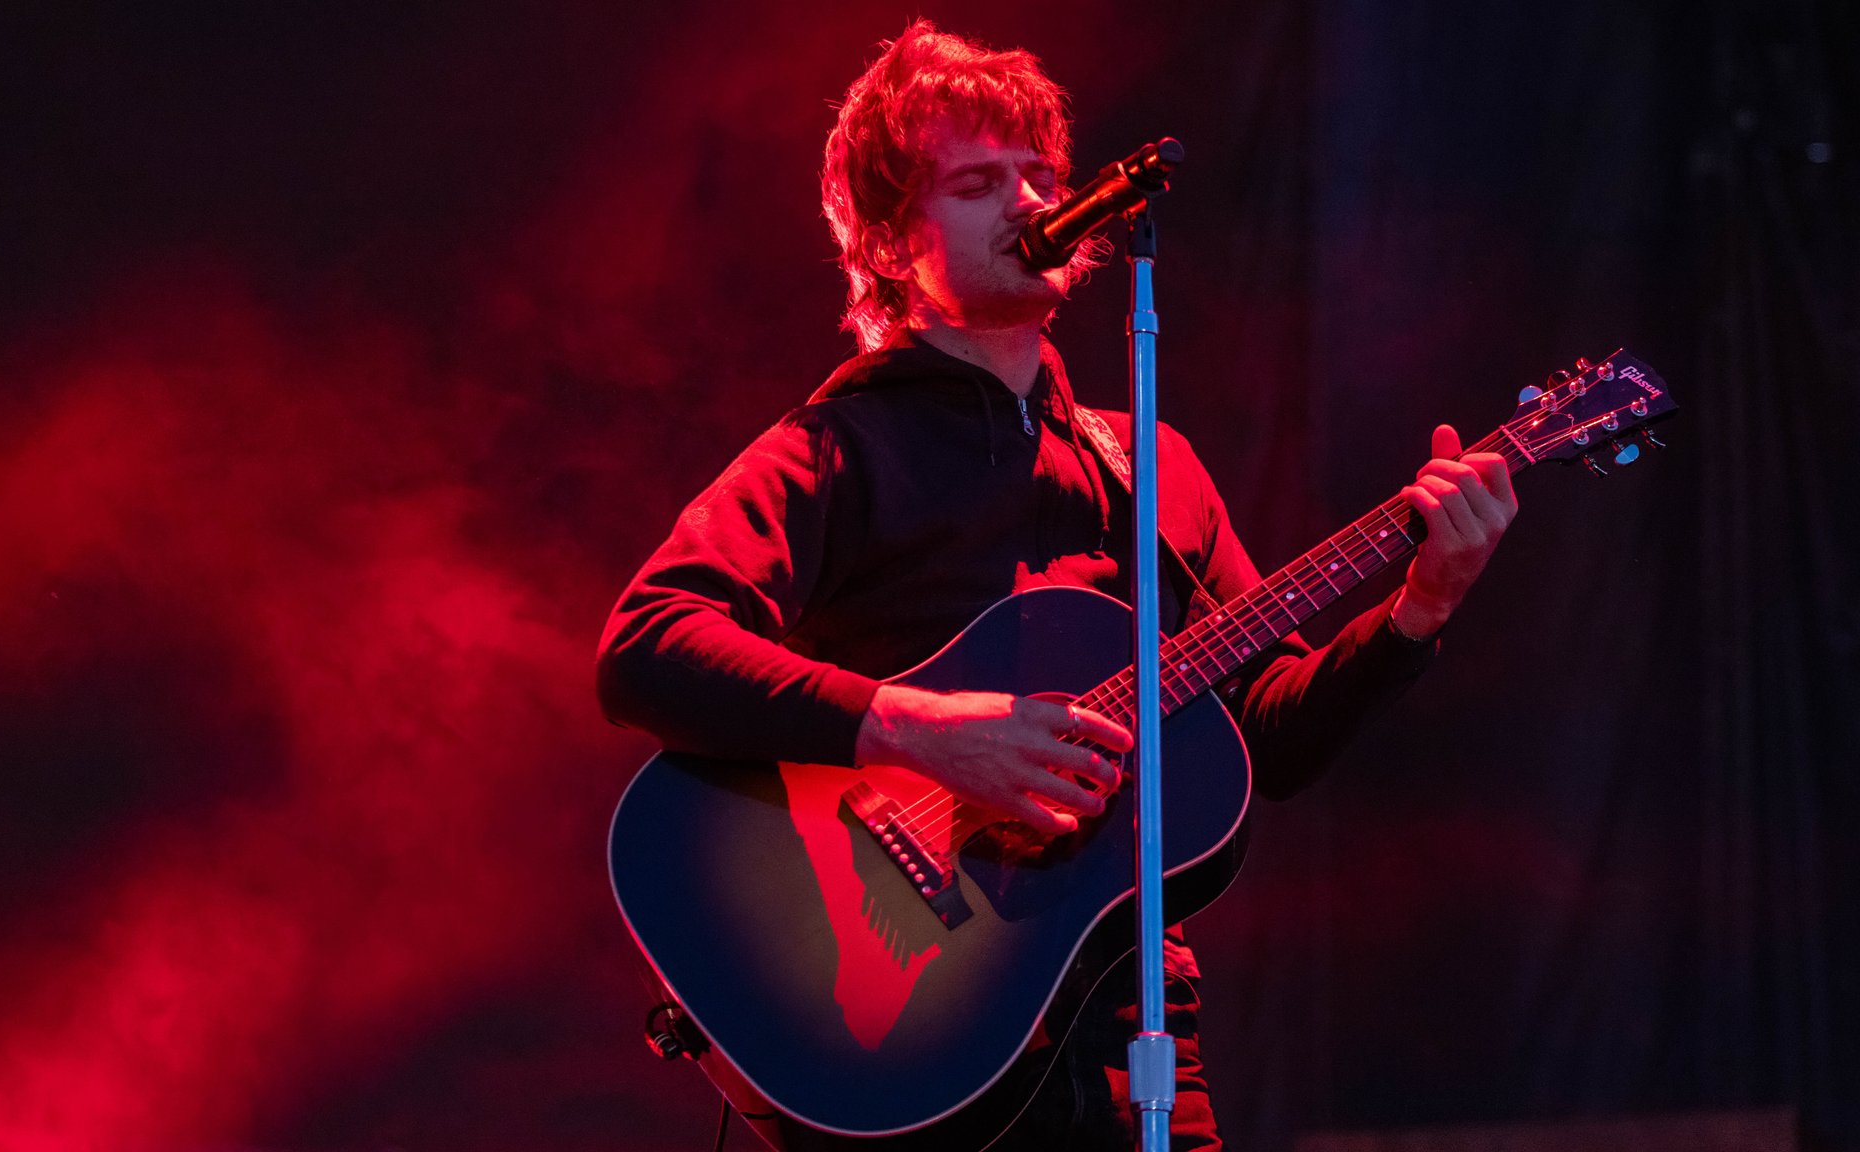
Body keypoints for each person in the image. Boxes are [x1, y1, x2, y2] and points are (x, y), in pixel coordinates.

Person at [597, 21, 1516, 1151]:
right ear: (889, 243)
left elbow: (1268, 738)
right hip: (914, 1022)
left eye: (1040, 174)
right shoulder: (833, 450)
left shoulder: (1149, 463)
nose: (1029, 201)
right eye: (979, 183)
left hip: (1132, 1015)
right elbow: (647, 641)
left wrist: (1420, 606)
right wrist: (919, 732)